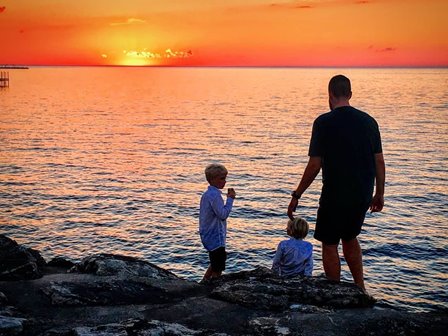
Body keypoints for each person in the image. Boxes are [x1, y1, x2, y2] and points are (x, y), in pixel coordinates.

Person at [287, 75, 385, 291]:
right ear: (350, 94)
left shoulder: (323, 123)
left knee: (330, 242)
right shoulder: (369, 122)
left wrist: (297, 194)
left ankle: (335, 290)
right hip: (362, 193)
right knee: (350, 237)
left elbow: (314, 165)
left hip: (335, 193)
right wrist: (379, 193)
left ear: (330, 94)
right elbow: (379, 160)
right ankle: (360, 288)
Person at [199, 163, 236, 281]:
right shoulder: (215, 196)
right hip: (215, 235)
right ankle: (213, 285)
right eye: (222, 178)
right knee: (218, 266)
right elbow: (223, 215)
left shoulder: (207, 194)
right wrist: (230, 199)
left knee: (215, 261)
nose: (225, 181)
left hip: (208, 233)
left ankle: (203, 282)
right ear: (212, 179)